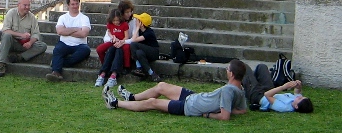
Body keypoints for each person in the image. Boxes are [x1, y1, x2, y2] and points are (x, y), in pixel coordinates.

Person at [103, 59, 248, 121]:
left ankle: (115, 103)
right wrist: (225, 108)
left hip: (189, 107)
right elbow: (242, 111)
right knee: (161, 86)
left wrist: (208, 115)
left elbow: (225, 117)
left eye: (228, 69)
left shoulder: (229, 90)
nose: (226, 70)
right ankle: (132, 97)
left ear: (232, 74)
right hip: (194, 97)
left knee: (153, 102)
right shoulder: (240, 89)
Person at [0, 0, 47, 77]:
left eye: (28, 5)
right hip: (11, 42)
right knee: (6, 36)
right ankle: (2, 64)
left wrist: (30, 43)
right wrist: (21, 35)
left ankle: (20, 57)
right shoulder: (11, 13)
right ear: (18, 5)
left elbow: (36, 34)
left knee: (42, 45)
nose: (27, 7)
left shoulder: (32, 17)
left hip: (24, 45)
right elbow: (5, 30)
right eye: (25, 5)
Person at [45, 0, 91, 82]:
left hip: (80, 44)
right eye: (72, 4)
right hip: (64, 43)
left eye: (77, 3)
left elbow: (83, 34)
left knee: (86, 51)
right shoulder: (63, 18)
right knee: (58, 49)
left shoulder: (84, 18)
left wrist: (67, 31)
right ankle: (56, 73)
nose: (75, 6)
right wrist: (75, 29)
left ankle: (57, 63)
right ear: (68, 5)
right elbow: (60, 31)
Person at [242, 63, 314, 113]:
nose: (299, 97)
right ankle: (252, 82)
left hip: (259, 97)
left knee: (244, 67)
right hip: (270, 91)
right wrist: (298, 86)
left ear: (296, 106)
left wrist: (284, 87)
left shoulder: (283, 107)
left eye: (300, 99)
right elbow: (297, 92)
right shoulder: (295, 101)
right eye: (302, 97)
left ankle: (248, 84)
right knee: (262, 67)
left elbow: (267, 95)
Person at [97, 0, 136, 73]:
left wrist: (122, 42)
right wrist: (113, 39)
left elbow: (134, 38)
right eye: (127, 12)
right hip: (114, 41)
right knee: (100, 49)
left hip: (126, 41)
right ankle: (105, 65)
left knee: (126, 48)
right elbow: (107, 36)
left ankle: (126, 67)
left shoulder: (133, 21)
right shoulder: (114, 21)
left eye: (130, 12)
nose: (129, 14)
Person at [94, 8, 130, 87]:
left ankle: (114, 75)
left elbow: (126, 37)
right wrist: (113, 37)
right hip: (113, 42)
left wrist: (121, 42)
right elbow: (109, 32)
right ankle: (103, 73)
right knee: (106, 50)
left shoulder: (124, 25)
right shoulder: (110, 25)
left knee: (119, 51)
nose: (116, 22)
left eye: (117, 20)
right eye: (114, 21)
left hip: (121, 42)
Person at [128, 13, 162, 82]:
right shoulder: (140, 32)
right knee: (139, 52)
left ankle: (139, 67)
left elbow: (133, 41)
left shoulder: (149, 32)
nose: (136, 21)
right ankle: (151, 73)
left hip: (153, 52)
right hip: (144, 52)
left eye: (138, 20)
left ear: (142, 24)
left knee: (133, 44)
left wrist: (137, 27)